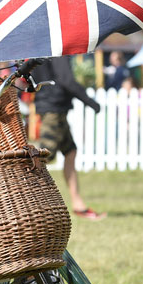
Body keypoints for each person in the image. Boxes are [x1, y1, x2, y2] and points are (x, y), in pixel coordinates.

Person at [31, 55, 106, 220]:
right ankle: (28, 206)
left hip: (53, 106)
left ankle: (78, 205)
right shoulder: (56, 50)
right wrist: (91, 102)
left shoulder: (40, 47)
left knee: (70, 152)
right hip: (53, 108)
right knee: (40, 159)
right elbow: (66, 79)